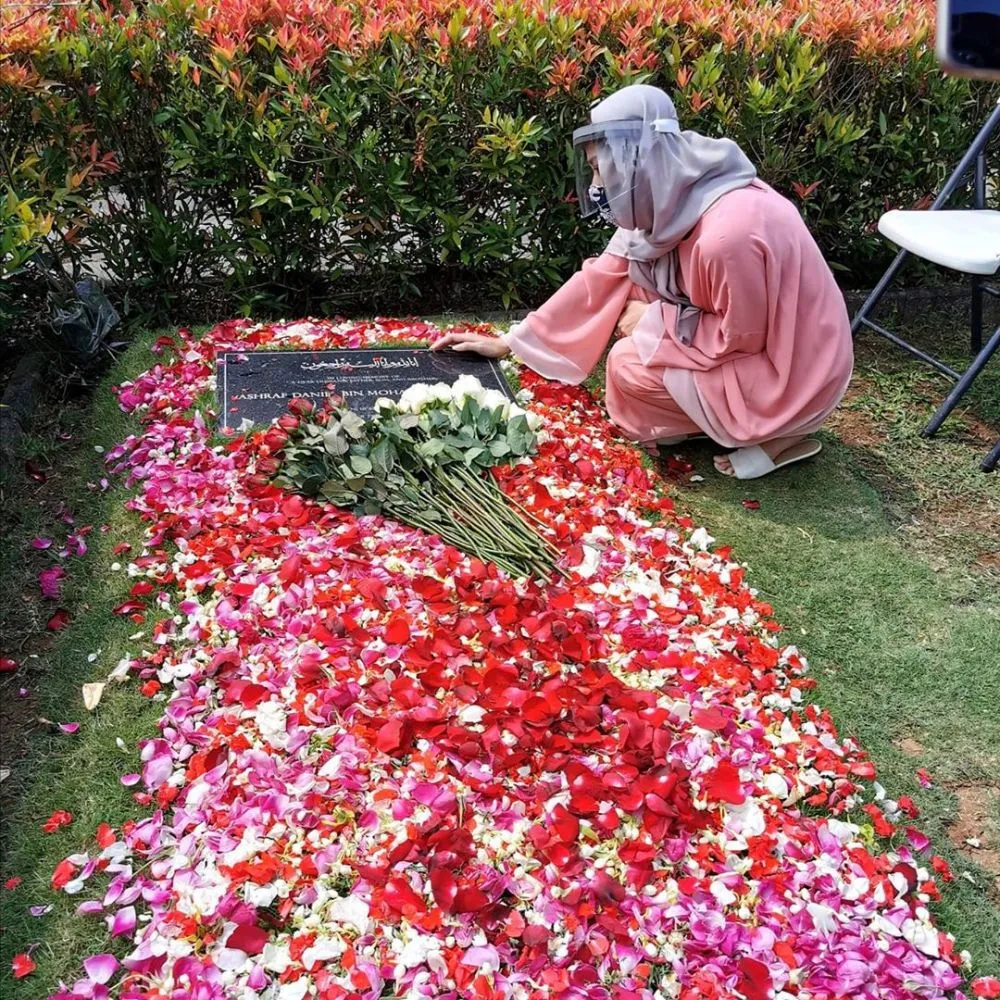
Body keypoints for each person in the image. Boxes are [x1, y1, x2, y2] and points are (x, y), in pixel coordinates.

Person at [433, 84, 854, 479]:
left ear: (635, 159)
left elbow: (741, 335)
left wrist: (654, 321)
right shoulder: (668, 192)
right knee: (629, 308)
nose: (598, 187)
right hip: (743, 338)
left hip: (792, 368)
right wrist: (511, 342)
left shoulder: (726, 236)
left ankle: (785, 433)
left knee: (629, 366)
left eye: (602, 170)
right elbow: (603, 278)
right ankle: (705, 419)